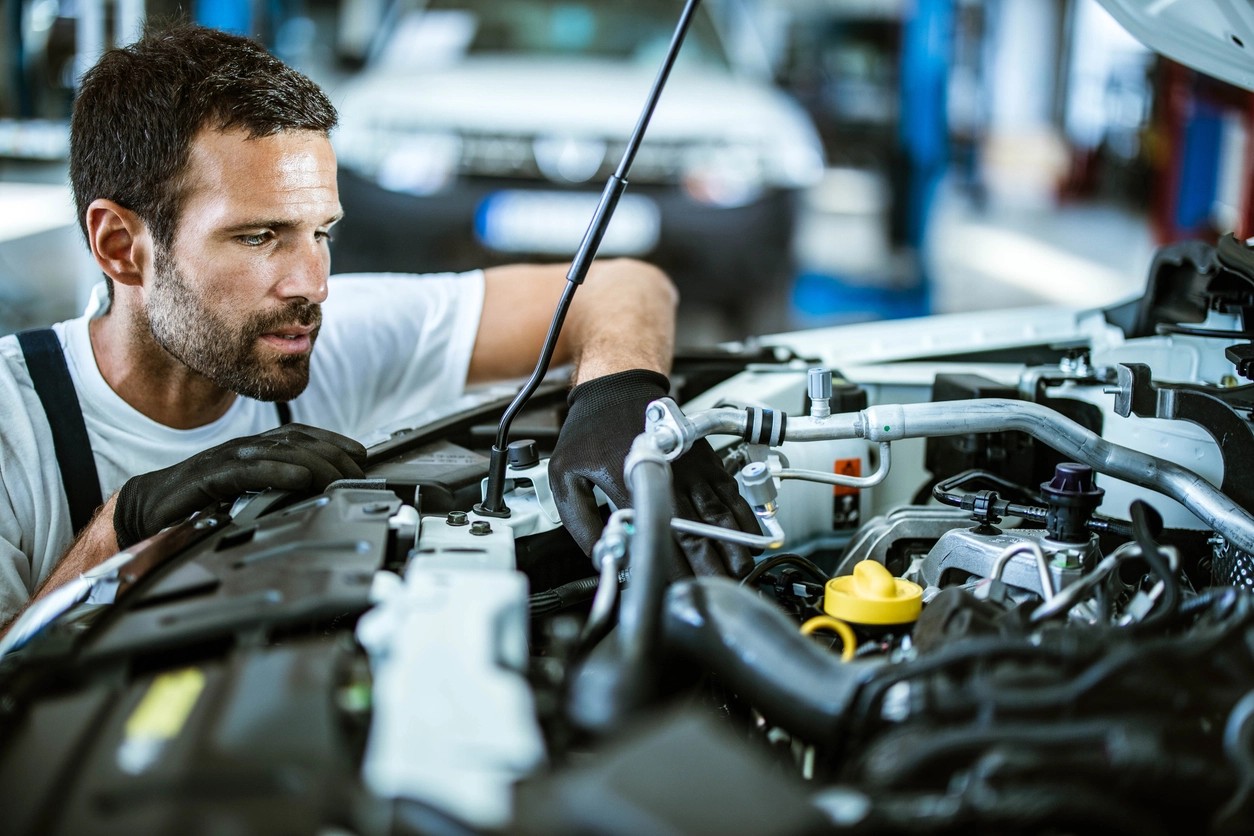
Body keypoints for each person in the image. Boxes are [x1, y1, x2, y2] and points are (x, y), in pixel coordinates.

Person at [0, 23, 758, 630]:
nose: (313, 284)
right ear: (120, 247)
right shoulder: (14, 425)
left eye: (320, 232)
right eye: (259, 237)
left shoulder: (324, 334)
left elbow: (627, 282)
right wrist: (119, 529)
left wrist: (618, 396)